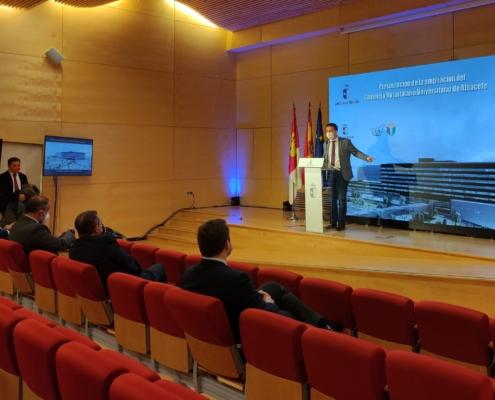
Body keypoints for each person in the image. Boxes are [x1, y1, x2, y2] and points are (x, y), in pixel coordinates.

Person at [180, 219, 342, 343]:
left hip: (214, 329)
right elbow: (263, 312)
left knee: (273, 286)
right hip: (240, 336)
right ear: (226, 244)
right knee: (287, 314)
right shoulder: (237, 279)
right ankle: (318, 339)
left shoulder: (189, 274)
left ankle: (323, 323)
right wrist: (269, 303)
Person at [69, 210, 167, 295]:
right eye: (100, 224)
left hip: (98, 292)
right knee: (159, 267)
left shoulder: (73, 249)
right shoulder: (106, 241)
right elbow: (133, 265)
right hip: (124, 287)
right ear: (97, 229)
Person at [323, 123, 375, 231]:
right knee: (332, 199)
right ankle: (332, 222)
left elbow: (356, 152)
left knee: (341, 199)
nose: (328, 133)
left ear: (336, 131)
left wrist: (367, 158)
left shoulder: (345, 142)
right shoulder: (326, 144)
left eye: (330, 131)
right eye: (327, 131)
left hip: (342, 174)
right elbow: (325, 159)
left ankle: (341, 223)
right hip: (331, 173)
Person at [9, 196, 75, 256]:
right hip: (37, 265)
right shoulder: (36, 228)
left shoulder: (17, 224)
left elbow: (33, 240)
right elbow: (61, 244)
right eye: (48, 211)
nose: (48, 214)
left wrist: (53, 238)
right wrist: (70, 232)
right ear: (41, 213)